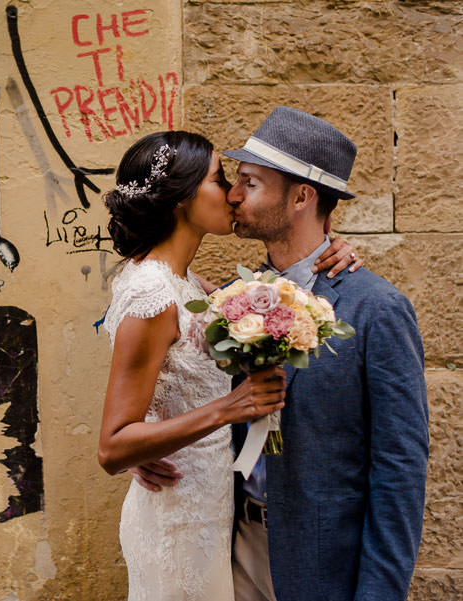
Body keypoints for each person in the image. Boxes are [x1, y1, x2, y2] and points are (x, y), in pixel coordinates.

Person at [97, 130, 361, 600]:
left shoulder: (191, 286)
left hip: (212, 512)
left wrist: (330, 249)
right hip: (177, 519)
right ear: (181, 198)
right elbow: (114, 446)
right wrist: (228, 408)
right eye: (220, 179)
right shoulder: (152, 293)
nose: (233, 194)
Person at [219, 107, 428, 601]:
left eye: (250, 182)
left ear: (301, 197)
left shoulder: (377, 309)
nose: (233, 195)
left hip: (320, 563)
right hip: (231, 550)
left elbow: (400, 470)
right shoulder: (228, 300)